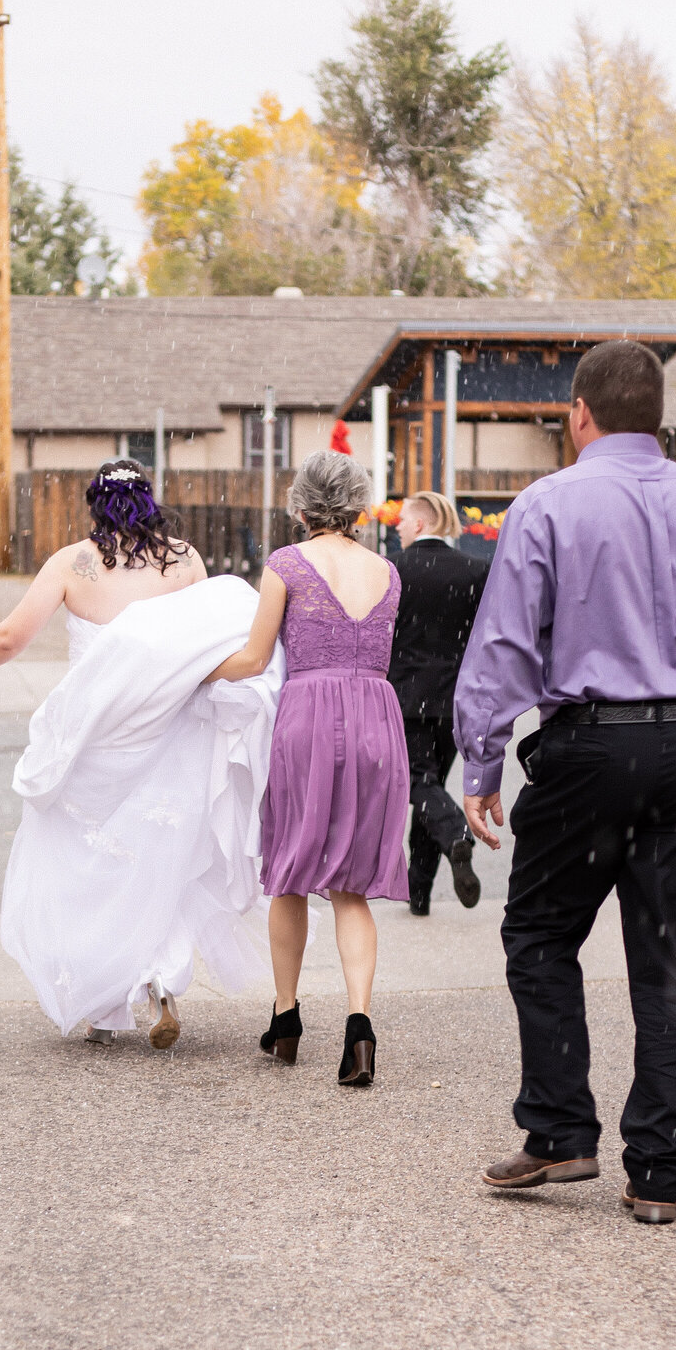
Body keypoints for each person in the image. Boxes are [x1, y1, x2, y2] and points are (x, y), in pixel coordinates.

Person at [454, 339, 676, 1225]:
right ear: (659, 415)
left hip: (592, 749)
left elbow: (505, 648)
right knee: (670, 957)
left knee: (541, 933)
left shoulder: (548, 504)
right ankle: (660, 1177)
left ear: (579, 415)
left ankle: (560, 1134)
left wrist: (481, 761)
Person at [0, 462, 282, 1050]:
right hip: (168, 729)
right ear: (149, 501)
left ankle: (106, 1003)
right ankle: (161, 977)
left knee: (89, 862)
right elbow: (205, 643)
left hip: (96, 739)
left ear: (96, 504)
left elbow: (12, 638)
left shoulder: (72, 564)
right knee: (159, 855)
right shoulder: (185, 560)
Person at [207, 450, 408, 1087]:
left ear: (300, 507)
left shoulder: (286, 565)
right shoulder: (387, 571)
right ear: (358, 507)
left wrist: (195, 672)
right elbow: (376, 653)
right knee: (351, 883)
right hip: (377, 716)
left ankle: (286, 1017)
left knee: (289, 871)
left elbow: (255, 656)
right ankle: (359, 1027)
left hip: (309, 716)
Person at [388, 490, 490, 915]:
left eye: (401, 522)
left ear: (420, 524)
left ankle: (455, 839)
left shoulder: (393, 570)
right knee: (430, 784)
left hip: (406, 694)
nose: (396, 528)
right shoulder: (476, 570)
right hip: (455, 697)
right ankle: (419, 893)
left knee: (418, 783)